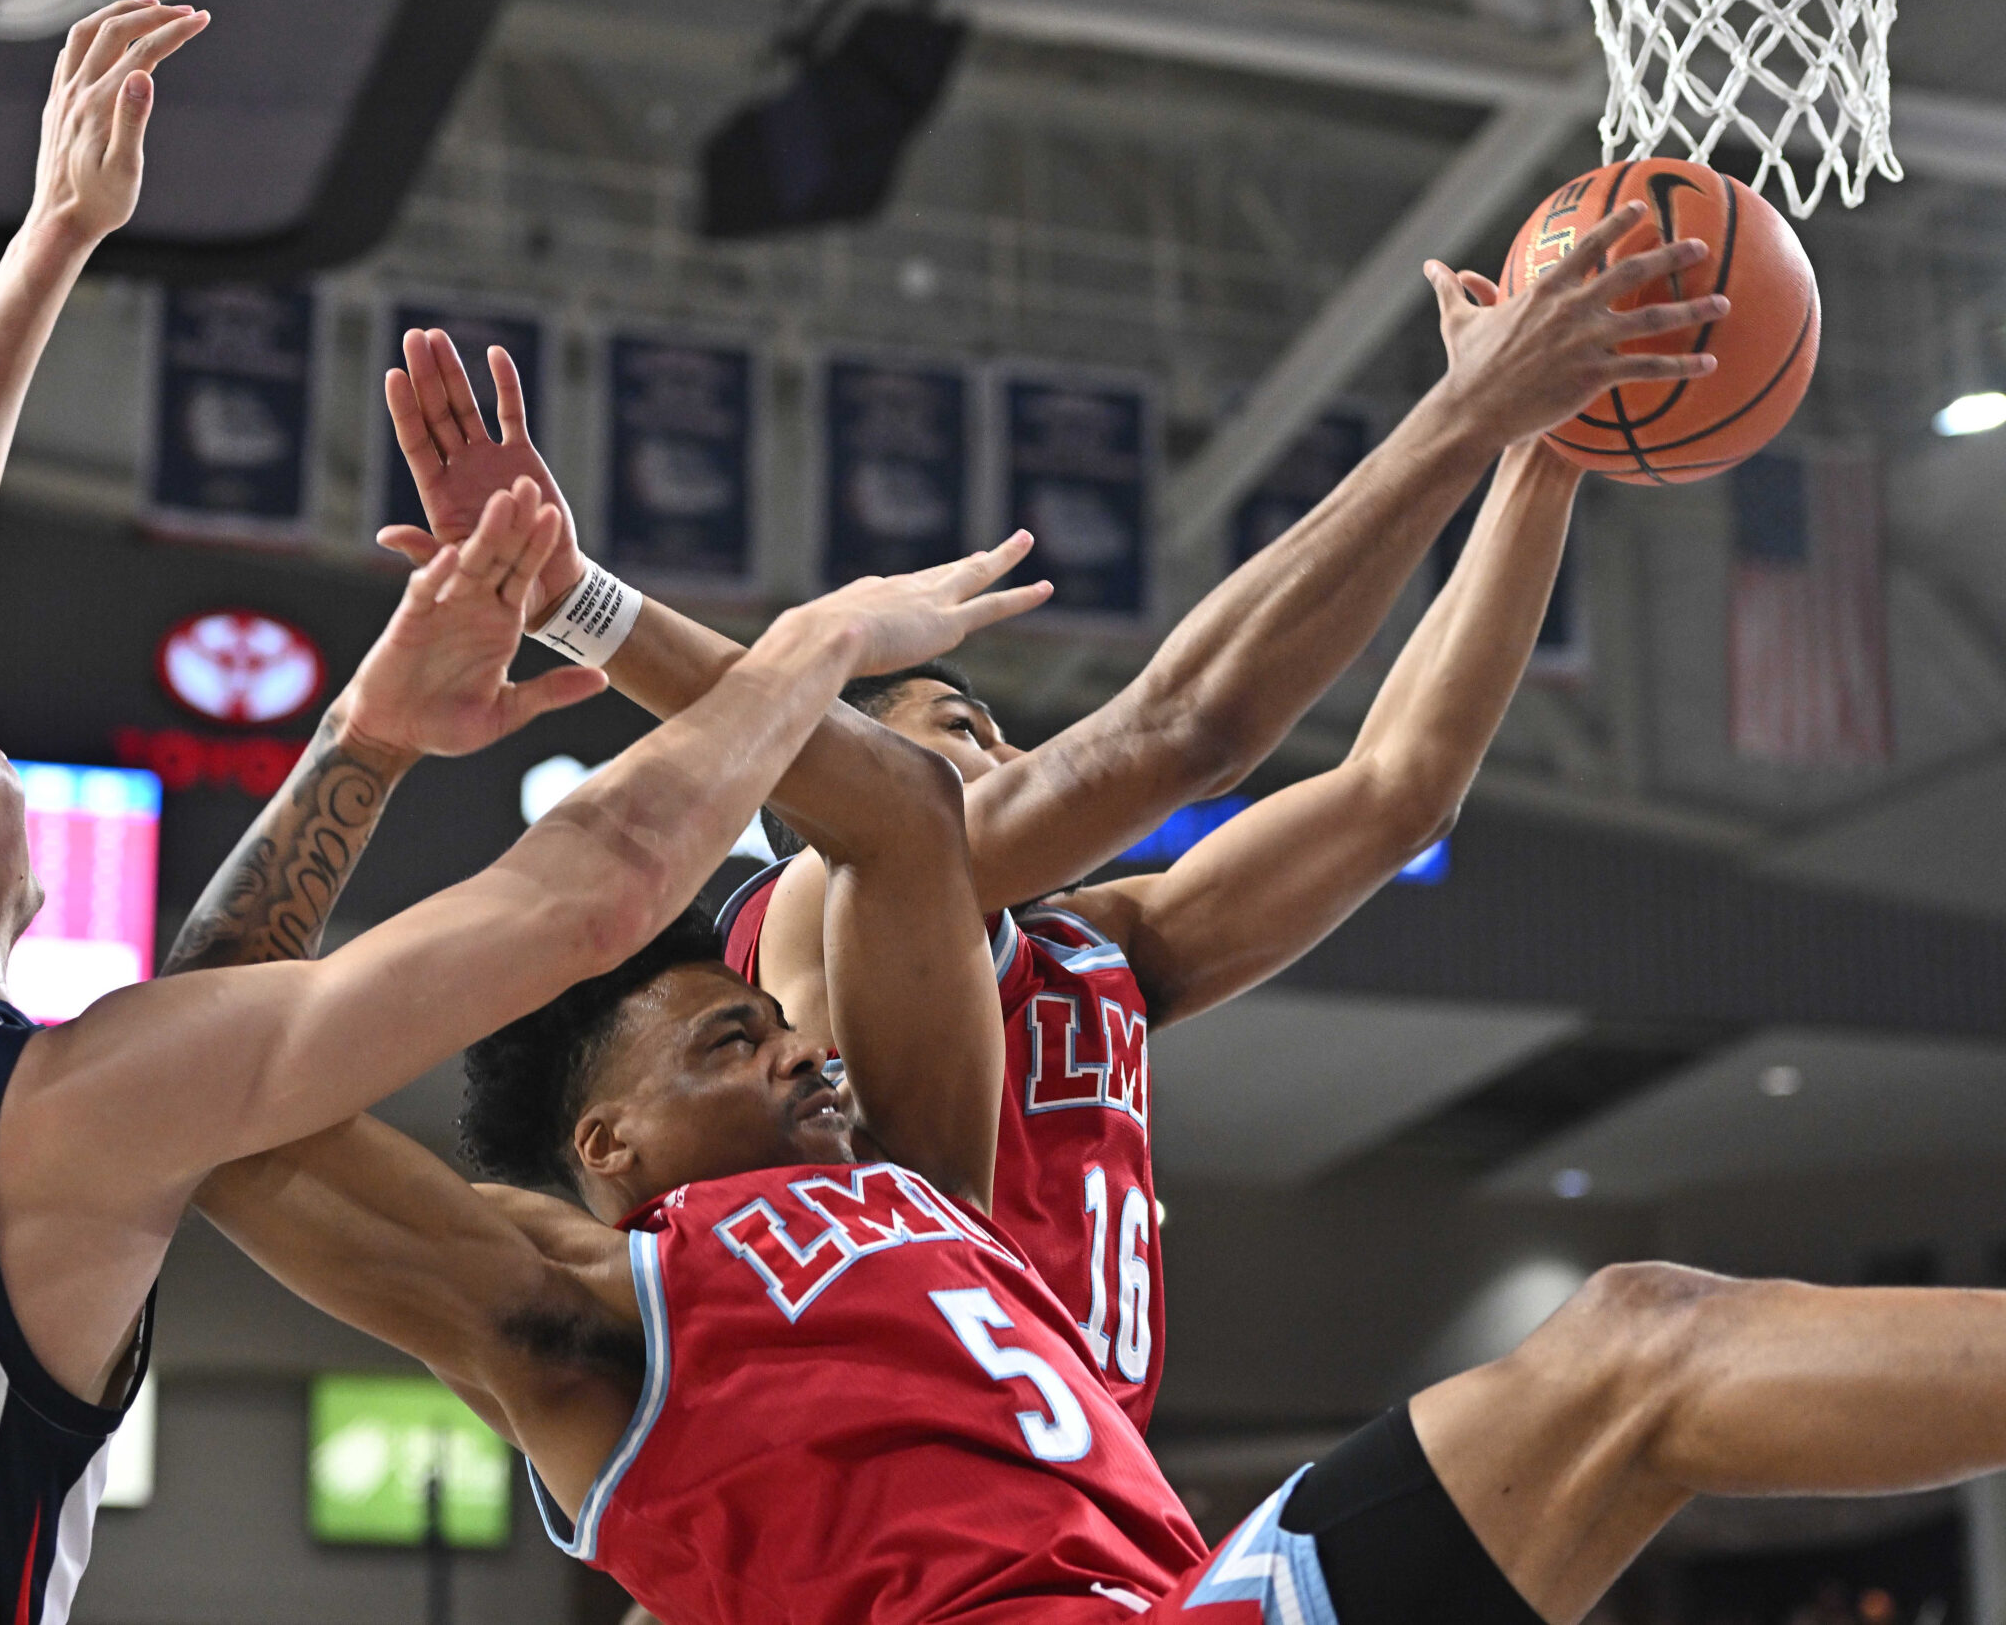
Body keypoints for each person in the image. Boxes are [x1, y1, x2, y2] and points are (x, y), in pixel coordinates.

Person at [0, 0, 1046, 1624]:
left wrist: (55, 244)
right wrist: (817, 646)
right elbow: (586, 893)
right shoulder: (55, 1115)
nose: (5, 758)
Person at [193, 444, 2006, 1622]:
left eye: (983, 724)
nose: (976, 752)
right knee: (1630, 1356)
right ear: (613, 1145)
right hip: (1002, 1558)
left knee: (1641, 1340)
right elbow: (1140, 748)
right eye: (935, 729)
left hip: (1145, 1556)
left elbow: (1393, 788)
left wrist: (1538, 464)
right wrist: (722, 646)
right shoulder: (785, 989)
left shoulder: (1035, 1024)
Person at [369, 199, 1727, 1427]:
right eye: (964, 735)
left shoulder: (1100, 947)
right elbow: (1181, 731)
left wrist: (1542, 460)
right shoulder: (817, 918)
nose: (1010, 753)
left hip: (1079, 1484)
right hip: (908, 1451)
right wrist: (1464, 418)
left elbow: (1397, 790)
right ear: (838, 789)